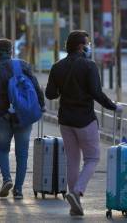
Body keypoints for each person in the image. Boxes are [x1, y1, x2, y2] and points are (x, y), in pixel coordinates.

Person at [45, 30, 122, 216]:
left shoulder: (57, 67)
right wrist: (114, 107)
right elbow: (97, 93)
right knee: (93, 158)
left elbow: (50, 94)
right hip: (85, 120)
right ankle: (77, 191)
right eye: (87, 44)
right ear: (81, 46)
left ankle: (75, 204)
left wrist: (63, 88)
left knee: (72, 160)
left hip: (65, 120)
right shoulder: (89, 66)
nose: (89, 47)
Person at [0, 38, 44, 199]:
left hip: (3, 116)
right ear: (11, 51)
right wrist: (41, 106)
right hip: (23, 116)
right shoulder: (22, 65)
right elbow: (36, 87)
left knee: (2, 150)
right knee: (22, 154)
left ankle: (6, 179)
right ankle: (18, 190)